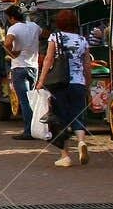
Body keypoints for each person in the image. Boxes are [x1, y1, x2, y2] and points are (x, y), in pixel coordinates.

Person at [37, 10, 92, 168]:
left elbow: (48, 59)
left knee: (59, 119)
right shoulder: (83, 40)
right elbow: (87, 66)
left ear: (59, 23)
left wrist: (41, 81)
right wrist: (87, 85)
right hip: (78, 83)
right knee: (78, 115)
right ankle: (81, 142)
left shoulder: (55, 37)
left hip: (60, 83)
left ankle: (65, 156)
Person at [3, 4, 42, 141]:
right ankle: (35, 127)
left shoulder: (14, 28)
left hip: (19, 67)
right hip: (34, 66)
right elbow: (45, 34)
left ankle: (29, 130)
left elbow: (7, 44)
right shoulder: (34, 26)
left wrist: (13, 54)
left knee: (25, 100)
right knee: (32, 98)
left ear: (12, 18)